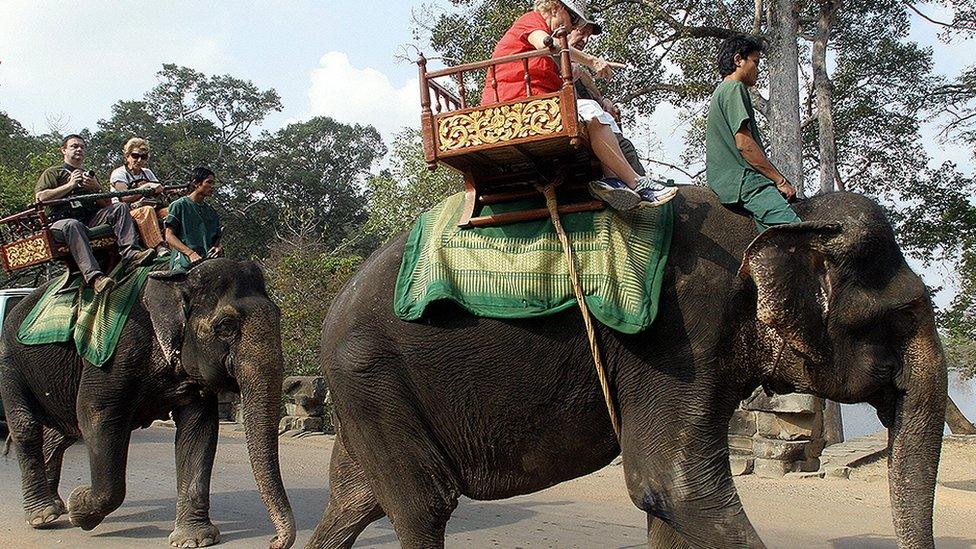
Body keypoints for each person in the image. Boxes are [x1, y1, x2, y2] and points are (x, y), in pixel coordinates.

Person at [481, 0, 676, 210]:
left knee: (599, 113)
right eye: (573, 19)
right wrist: (591, 61)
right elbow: (547, 44)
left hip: (534, 105)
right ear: (554, 7)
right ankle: (635, 181)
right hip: (519, 108)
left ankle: (613, 180)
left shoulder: (542, 38)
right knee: (590, 110)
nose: (574, 27)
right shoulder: (531, 21)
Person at [34, 135, 154, 293]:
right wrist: (70, 185)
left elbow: (107, 204)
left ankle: (131, 253)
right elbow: (40, 197)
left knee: (120, 207)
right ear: (63, 150)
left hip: (90, 219)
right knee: (73, 224)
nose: (79, 149)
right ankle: (94, 278)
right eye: (74, 146)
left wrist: (96, 188)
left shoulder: (88, 175)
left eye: (82, 147)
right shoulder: (53, 173)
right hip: (61, 221)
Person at [705, 34, 800, 231]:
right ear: (738, 60)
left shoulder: (722, 91)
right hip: (745, 181)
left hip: (732, 180)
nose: (758, 70)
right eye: (755, 62)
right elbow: (744, 144)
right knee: (800, 235)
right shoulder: (734, 88)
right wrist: (780, 180)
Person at [566, 23, 646, 178]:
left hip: (583, 118)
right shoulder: (549, 50)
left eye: (588, 36)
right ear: (569, 27)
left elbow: (593, 92)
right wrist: (590, 62)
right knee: (594, 113)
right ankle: (626, 182)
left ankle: (637, 184)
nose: (585, 39)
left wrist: (605, 100)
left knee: (625, 145)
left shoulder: (577, 68)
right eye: (582, 32)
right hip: (555, 113)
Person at [110, 137, 166, 249]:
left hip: (151, 206)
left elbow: (158, 189)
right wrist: (147, 186)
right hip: (126, 213)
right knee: (147, 210)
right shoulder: (119, 173)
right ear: (127, 156)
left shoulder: (147, 173)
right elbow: (125, 197)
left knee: (171, 211)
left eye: (143, 157)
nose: (139, 160)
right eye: (135, 156)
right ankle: (158, 247)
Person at [164, 167, 221, 271]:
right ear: (196, 183)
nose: (212, 187)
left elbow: (215, 240)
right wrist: (190, 253)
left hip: (208, 260)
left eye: (213, 183)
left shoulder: (212, 213)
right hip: (184, 260)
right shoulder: (179, 205)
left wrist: (217, 248)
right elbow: (169, 236)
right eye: (209, 182)